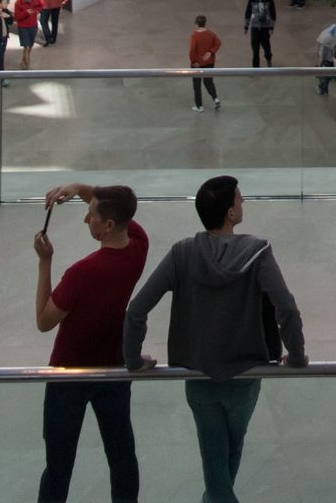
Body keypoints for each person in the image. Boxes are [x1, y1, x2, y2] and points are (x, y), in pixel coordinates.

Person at [124, 174, 306, 503]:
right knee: (230, 453)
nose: (243, 201)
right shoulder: (257, 251)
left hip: (199, 374)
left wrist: (133, 360)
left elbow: (136, 309)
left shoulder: (182, 253)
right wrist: (296, 355)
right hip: (245, 375)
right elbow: (287, 309)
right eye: (239, 198)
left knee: (215, 461)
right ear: (230, 213)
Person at [34, 179, 148, 503]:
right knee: (122, 456)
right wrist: (80, 188)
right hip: (112, 369)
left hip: (68, 375)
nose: (86, 218)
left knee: (58, 465)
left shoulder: (82, 273)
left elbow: (44, 320)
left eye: (92, 214)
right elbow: (118, 205)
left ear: (108, 225)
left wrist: (45, 263)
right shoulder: (138, 246)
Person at [190, 15, 222, 112]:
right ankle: (215, 98)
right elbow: (218, 43)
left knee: (197, 85)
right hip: (210, 62)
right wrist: (211, 52)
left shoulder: (195, 35)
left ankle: (199, 106)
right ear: (205, 23)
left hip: (197, 65)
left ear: (197, 24)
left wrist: (195, 62)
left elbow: (192, 51)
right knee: (208, 81)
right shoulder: (211, 34)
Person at [242, 0, 276, 67]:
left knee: (266, 47)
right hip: (255, 27)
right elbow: (248, 13)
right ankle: (256, 68)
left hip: (265, 28)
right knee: (255, 50)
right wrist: (246, 26)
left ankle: (268, 59)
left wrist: (271, 27)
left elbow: (273, 13)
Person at [14, 0, 45, 69]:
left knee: (30, 46)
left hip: (33, 26)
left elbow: (42, 4)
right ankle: (28, 68)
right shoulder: (19, 2)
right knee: (26, 47)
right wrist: (26, 13)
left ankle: (23, 61)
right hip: (23, 27)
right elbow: (17, 17)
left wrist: (37, 11)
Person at [315, 21, 336, 94]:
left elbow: (320, 51)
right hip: (329, 60)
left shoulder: (326, 35)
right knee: (327, 75)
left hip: (327, 59)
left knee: (325, 73)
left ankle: (322, 85)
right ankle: (321, 87)